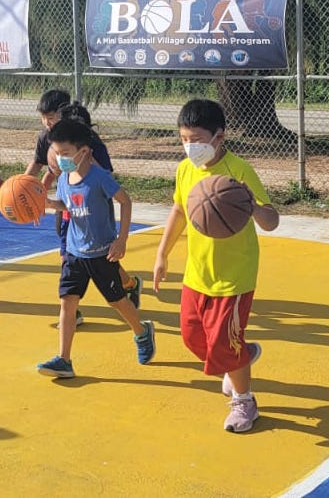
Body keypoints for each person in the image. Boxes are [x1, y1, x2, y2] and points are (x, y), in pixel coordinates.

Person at [152, 98, 280, 433]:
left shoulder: (239, 171)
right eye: (183, 139)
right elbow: (180, 211)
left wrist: (251, 204)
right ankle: (241, 354)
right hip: (197, 274)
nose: (190, 146)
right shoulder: (185, 169)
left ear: (219, 137)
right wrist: (162, 253)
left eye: (196, 139)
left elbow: (272, 221)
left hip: (233, 277)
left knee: (224, 345)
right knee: (193, 339)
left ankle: (245, 402)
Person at [35, 116, 155, 378]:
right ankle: (64, 359)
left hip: (102, 252)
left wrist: (121, 239)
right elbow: (69, 206)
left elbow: (125, 201)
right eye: (57, 153)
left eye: (65, 153)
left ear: (84, 151)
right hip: (74, 253)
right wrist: (51, 205)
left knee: (118, 303)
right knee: (67, 302)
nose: (60, 158)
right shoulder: (65, 177)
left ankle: (142, 332)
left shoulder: (99, 177)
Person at [25, 91, 140, 327]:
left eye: (51, 116)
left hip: (93, 207)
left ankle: (129, 287)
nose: (48, 122)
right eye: (44, 117)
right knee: (68, 256)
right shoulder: (50, 140)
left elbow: (107, 181)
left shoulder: (89, 145)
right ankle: (71, 310)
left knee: (103, 261)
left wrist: (83, 162)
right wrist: (32, 198)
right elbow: (46, 170)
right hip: (69, 206)